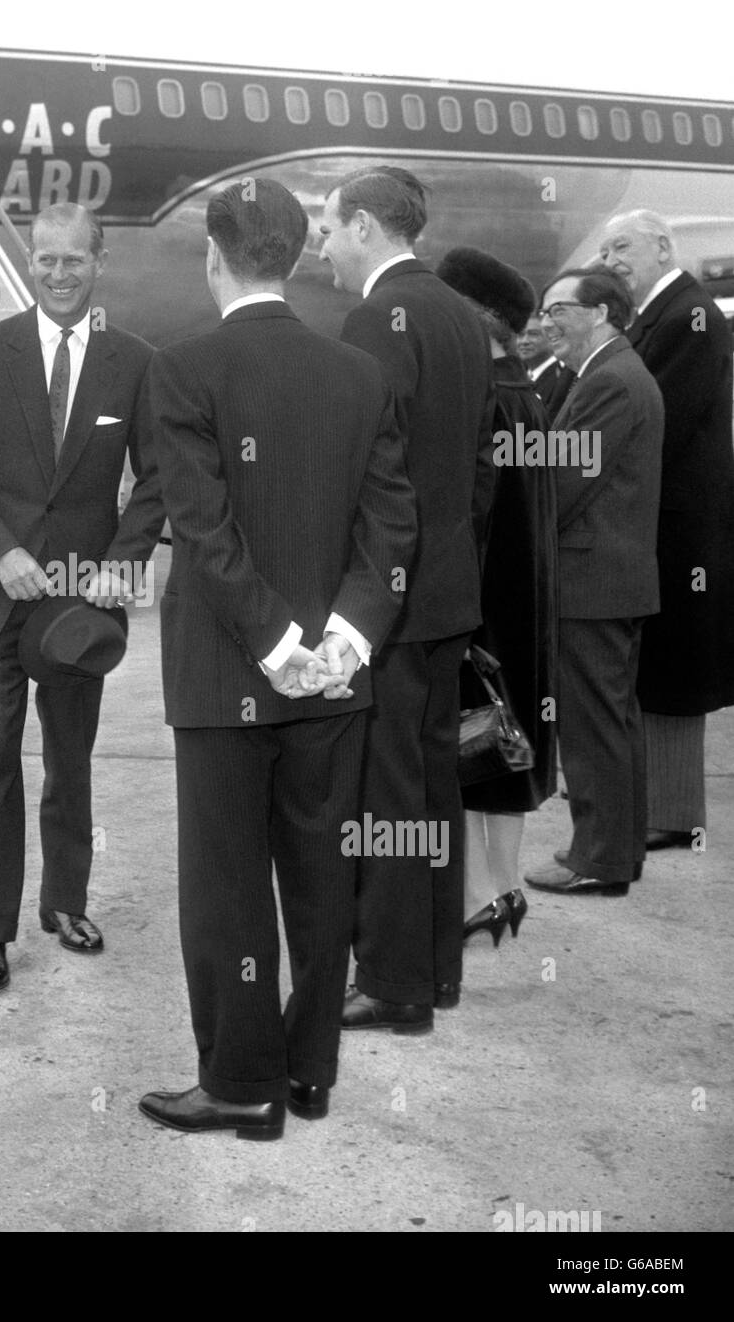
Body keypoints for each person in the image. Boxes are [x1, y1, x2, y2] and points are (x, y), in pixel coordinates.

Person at [138, 179, 416, 1140]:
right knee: (320, 876)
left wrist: (274, 643)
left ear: (213, 256)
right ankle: (309, 1072)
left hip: (227, 678)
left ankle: (239, 1082)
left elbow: (203, 532)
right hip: (337, 685)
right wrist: (342, 638)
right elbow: (391, 522)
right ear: (298, 256)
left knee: (224, 888)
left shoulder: (181, 370)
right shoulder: (356, 374)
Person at [0, 202, 162, 995]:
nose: (57, 275)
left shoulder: (132, 363)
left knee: (70, 762)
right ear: (28, 263)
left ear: (99, 264)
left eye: (72, 261)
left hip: (77, 610)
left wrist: (121, 562)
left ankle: (65, 902)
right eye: (44, 261)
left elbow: (158, 477)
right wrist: (3, 553)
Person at [317, 166, 496, 1034]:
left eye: (326, 227)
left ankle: (391, 984)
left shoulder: (375, 318)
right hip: (447, 597)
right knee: (432, 791)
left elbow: (367, 470)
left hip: (392, 604)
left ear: (361, 226)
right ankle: (434, 969)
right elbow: (478, 468)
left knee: (387, 799)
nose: (321, 245)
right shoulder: (461, 314)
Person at [523, 268, 663, 896]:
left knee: (590, 726)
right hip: (612, 579)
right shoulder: (615, 372)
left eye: (560, 310)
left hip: (591, 581)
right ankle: (618, 849)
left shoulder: (608, 380)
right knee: (615, 721)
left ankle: (597, 858)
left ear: (600, 312)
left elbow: (564, 483)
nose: (547, 322)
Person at [598, 210, 734, 852]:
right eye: (604, 249)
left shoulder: (689, 317)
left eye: (621, 245)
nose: (611, 258)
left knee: (676, 666)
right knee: (657, 663)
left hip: (681, 530)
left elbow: (659, 422)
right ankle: (658, 803)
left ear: (661, 244)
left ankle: (676, 813)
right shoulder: (662, 315)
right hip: (663, 521)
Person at [435, 248, 558, 945]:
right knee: (500, 747)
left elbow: (473, 513)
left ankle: (478, 896)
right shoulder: (522, 391)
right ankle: (503, 888)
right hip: (522, 601)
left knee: (465, 746)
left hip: (482, 602)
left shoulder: (484, 394)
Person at [518, 313, 575, 421]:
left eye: (533, 334)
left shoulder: (563, 379)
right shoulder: (519, 377)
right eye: (520, 335)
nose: (524, 341)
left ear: (551, 338)